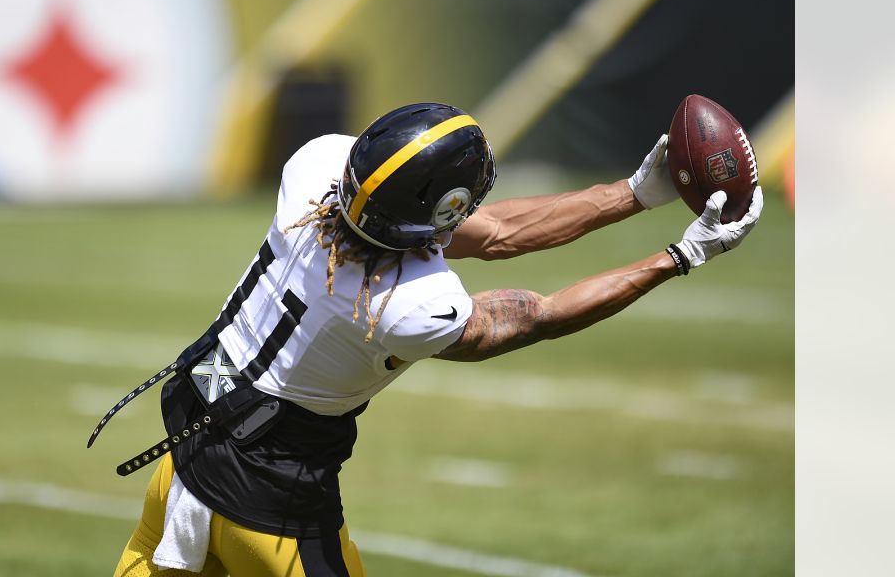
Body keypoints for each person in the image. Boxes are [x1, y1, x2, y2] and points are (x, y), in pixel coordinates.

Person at [92, 102, 763, 577]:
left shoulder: (317, 170)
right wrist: (678, 257)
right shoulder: (412, 305)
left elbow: (495, 233)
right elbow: (540, 312)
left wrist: (633, 195)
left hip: (190, 440)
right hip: (269, 495)